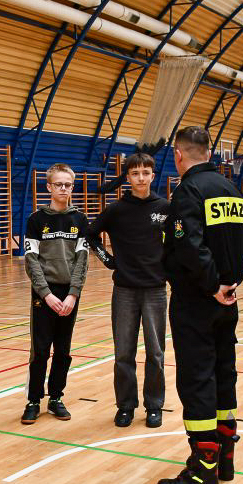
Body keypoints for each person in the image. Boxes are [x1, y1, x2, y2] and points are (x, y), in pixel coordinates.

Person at [156, 127, 243, 484]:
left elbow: (189, 247)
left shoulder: (188, 192)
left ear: (178, 155)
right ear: (209, 153)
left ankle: (202, 473)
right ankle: (225, 458)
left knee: (197, 380)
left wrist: (212, 285)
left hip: (197, 301)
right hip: (228, 300)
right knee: (224, 374)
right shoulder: (232, 191)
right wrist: (229, 283)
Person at [86, 152, 170, 429]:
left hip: (155, 290)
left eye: (145, 173)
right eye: (135, 173)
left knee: (155, 353)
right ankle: (125, 406)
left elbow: (177, 242)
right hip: (124, 291)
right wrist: (108, 260)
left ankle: (154, 406)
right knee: (124, 353)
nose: (141, 178)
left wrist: (169, 268)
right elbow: (90, 235)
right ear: (128, 177)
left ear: (153, 175)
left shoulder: (165, 208)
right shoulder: (116, 210)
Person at [20, 163, 89, 424]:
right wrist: (46, 294)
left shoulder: (79, 220)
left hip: (69, 294)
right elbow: (31, 261)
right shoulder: (36, 220)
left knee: (63, 350)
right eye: (58, 184)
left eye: (68, 185)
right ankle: (33, 400)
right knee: (40, 350)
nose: (63, 189)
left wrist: (73, 294)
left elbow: (82, 261)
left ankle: (56, 398)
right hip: (44, 294)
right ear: (49, 187)